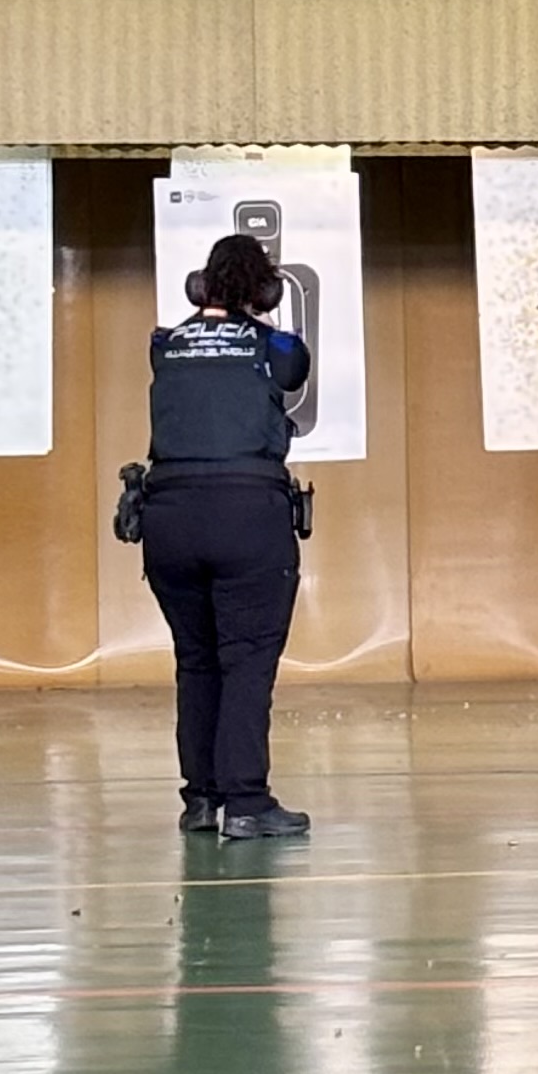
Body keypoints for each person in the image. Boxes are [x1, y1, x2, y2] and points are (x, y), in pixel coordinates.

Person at [139, 233, 316, 841]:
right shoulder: (274, 346)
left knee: (196, 660)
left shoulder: (164, 344)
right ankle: (246, 802)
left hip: (168, 519)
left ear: (200, 285)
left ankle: (201, 800)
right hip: (247, 517)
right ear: (264, 291)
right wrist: (258, 320)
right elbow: (294, 367)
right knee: (246, 661)